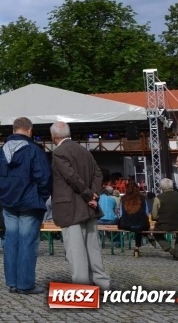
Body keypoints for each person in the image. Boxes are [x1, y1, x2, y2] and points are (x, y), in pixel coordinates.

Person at [0, 116, 52, 295]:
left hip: (8, 204)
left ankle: (12, 283)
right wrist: (40, 196)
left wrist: (3, 195)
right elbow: (45, 178)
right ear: (30, 130)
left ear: (14, 130)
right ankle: (25, 284)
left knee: (11, 242)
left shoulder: (0, 152)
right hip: (30, 204)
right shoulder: (34, 150)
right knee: (27, 243)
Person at [49, 121, 111, 288]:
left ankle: (82, 288)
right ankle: (101, 282)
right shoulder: (84, 151)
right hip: (89, 207)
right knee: (93, 248)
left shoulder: (59, 153)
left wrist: (89, 194)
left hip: (71, 207)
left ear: (53, 136)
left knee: (76, 252)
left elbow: (71, 177)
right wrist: (94, 194)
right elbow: (98, 173)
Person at [151, 178, 178, 261]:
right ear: (172, 185)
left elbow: (154, 214)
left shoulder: (158, 198)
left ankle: (170, 250)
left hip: (164, 225)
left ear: (161, 187)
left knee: (156, 233)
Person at [118, 180, 148, 257]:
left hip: (126, 224)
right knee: (139, 228)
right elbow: (146, 212)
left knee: (136, 226)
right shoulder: (143, 198)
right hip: (141, 223)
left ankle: (135, 246)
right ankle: (137, 246)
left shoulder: (123, 198)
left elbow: (120, 213)